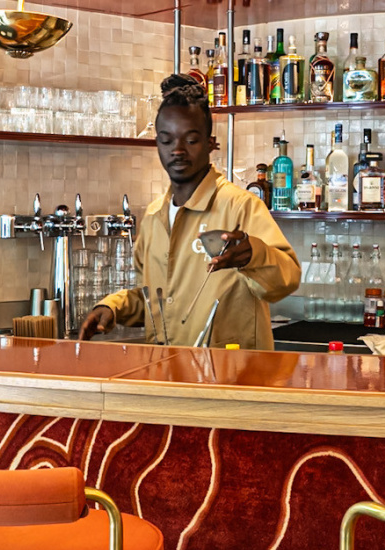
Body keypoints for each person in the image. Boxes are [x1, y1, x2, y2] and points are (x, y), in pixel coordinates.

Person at [78, 74, 299, 349]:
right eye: (167, 141)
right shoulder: (154, 217)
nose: (178, 151)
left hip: (231, 372)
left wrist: (253, 255)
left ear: (210, 143)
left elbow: (287, 278)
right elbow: (156, 301)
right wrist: (113, 308)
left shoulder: (240, 206)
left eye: (191, 140)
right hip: (168, 371)